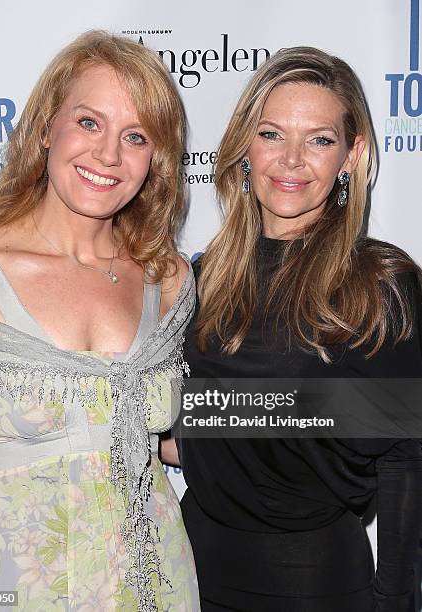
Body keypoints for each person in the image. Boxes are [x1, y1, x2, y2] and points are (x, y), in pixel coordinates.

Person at [0, 31, 199, 611]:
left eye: (135, 137)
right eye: (89, 122)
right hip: (9, 591)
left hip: (158, 586)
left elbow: (194, 440)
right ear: (46, 129)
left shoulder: (170, 282)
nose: (108, 155)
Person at [177, 47, 422, 611]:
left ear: (351, 155)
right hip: (186, 565)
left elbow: (403, 457)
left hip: (312, 579)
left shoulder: (379, 283)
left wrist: (395, 597)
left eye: (319, 139)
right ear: (244, 146)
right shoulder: (197, 279)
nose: (291, 160)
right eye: (270, 134)